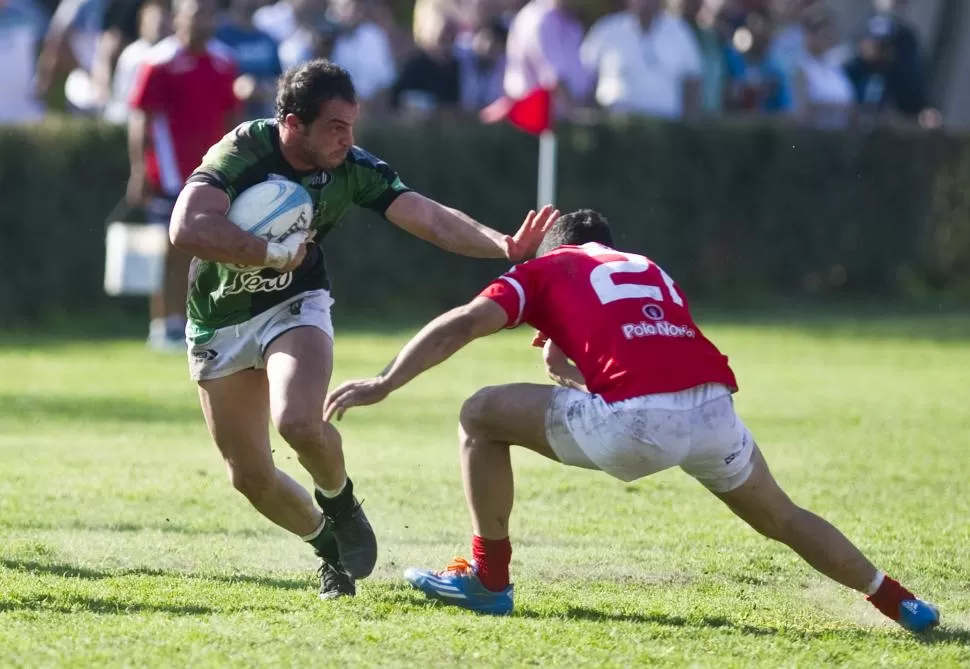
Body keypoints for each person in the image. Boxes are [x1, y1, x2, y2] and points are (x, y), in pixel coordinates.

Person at [323, 209, 941, 633]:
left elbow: (463, 322)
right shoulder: (647, 267)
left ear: (554, 245)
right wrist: (571, 362)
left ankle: (489, 576)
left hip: (639, 422)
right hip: (712, 409)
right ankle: (898, 599)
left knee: (479, 414)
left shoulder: (547, 267)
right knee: (781, 515)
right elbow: (636, 353)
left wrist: (386, 381)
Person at [168, 58, 557, 600]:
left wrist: (502, 246)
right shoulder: (244, 150)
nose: (347, 139)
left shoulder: (352, 166)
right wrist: (266, 251)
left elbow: (428, 216)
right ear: (291, 123)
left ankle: (340, 500)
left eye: (352, 125)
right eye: (334, 126)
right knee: (249, 476)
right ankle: (329, 549)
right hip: (219, 316)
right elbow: (186, 226)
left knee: (299, 422)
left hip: (294, 302)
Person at [127, 0, 238, 350]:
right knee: (167, 250)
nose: (200, 22)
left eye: (207, 14)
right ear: (178, 19)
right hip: (169, 175)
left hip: (212, 176)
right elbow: (140, 120)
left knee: (211, 251)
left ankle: (201, 320)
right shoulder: (158, 63)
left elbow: (232, 120)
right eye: (194, 15)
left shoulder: (224, 63)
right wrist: (139, 170)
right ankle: (163, 324)